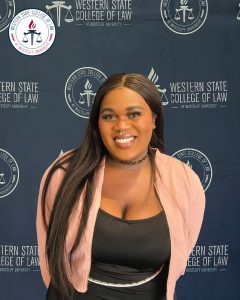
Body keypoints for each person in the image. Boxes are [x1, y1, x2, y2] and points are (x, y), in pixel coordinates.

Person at [36, 73, 205, 300]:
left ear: (154, 119)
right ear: (97, 123)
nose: (121, 126)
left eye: (134, 114)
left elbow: (183, 252)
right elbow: (50, 253)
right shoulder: (66, 173)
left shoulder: (184, 181)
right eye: (109, 116)